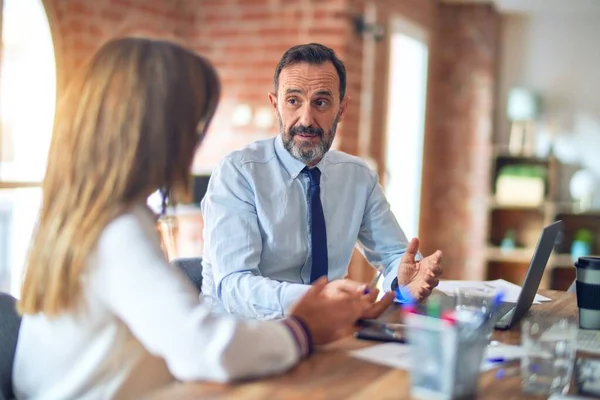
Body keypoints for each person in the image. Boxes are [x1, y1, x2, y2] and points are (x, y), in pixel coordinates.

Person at [13, 37, 387, 399]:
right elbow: (204, 348)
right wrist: (303, 329)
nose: (194, 142)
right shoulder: (116, 230)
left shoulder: (87, 213)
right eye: (191, 125)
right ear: (151, 130)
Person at [201, 43, 443, 320]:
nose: (306, 119)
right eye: (293, 101)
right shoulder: (238, 173)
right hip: (244, 336)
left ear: (342, 109)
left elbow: (394, 257)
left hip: (325, 332)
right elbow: (234, 287)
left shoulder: (358, 177)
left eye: (321, 102)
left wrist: (402, 283)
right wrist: (318, 299)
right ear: (275, 105)